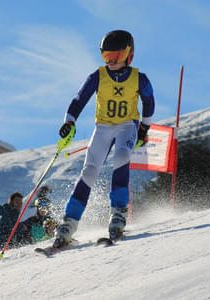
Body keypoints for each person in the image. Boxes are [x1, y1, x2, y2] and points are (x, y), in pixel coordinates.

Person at [53, 30, 155, 249]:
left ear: (129, 55)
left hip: (127, 126)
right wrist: (69, 121)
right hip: (103, 127)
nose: (111, 61)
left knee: (122, 156)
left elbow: (149, 102)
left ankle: (118, 213)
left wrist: (144, 128)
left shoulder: (139, 78)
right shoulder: (98, 76)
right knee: (90, 170)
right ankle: (69, 222)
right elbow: (78, 100)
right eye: (106, 56)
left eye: (116, 56)